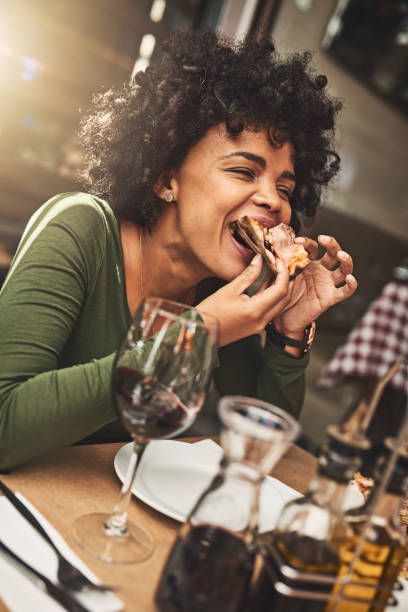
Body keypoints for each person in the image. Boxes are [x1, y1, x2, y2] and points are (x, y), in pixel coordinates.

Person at [0, 32, 357, 470]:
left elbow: (260, 450)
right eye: (244, 171)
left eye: (285, 187)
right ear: (166, 177)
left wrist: (289, 332)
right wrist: (196, 335)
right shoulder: (80, 227)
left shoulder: (220, 287)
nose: (274, 200)